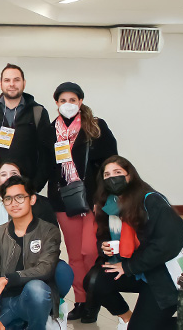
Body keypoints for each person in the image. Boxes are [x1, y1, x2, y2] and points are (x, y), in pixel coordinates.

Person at [45, 82, 118, 323]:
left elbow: (110, 164)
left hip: (92, 200)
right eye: (63, 100)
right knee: (75, 255)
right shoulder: (50, 130)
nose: (68, 104)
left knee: (90, 252)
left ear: (81, 101)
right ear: (56, 103)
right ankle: (81, 301)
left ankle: (94, 299)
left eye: (73, 100)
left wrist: (103, 197)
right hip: (63, 201)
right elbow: (46, 167)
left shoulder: (95, 127)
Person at [85, 156, 183, 329]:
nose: (112, 178)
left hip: (163, 276)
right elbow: (103, 235)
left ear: (130, 175)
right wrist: (104, 248)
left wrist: (129, 267)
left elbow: (169, 243)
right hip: (134, 269)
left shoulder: (150, 201)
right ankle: (127, 318)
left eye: (117, 173)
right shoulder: (107, 204)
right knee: (94, 281)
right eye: (107, 175)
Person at [0, 175, 63, 330]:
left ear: (32, 199)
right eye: (8, 199)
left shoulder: (49, 231)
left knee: (37, 289)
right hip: (5, 300)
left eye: (20, 197)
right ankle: (16, 325)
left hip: (32, 300)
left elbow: (45, 269)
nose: (14, 204)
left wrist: (6, 279)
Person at [0, 64, 54, 193]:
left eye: (16, 80)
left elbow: (46, 155)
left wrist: (34, 186)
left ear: (24, 83)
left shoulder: (38, 112)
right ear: (0, 84)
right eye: (7, 80)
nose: (12, 84)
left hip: (25, 190)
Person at [0, 163, 58, 233]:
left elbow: (52, 236)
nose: (9, 177)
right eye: (3, 174)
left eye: (14, 173)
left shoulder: (43, 205)